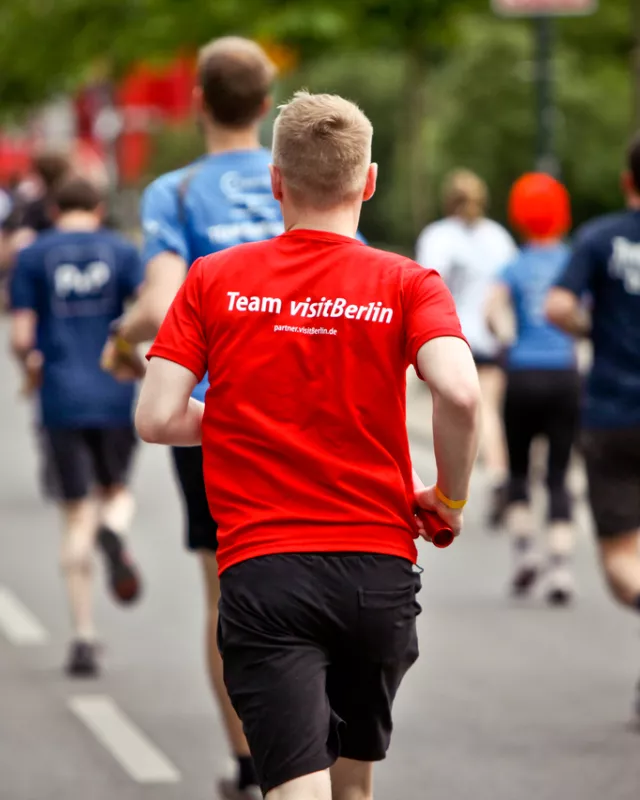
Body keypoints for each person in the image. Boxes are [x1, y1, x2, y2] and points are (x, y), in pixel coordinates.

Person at [135, 91, 481, 800]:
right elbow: (461, 393)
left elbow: (157, 417)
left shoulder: (214, 279)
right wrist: (449, 498)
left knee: (297, 788)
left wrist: (244, 419)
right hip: (377, 574)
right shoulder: (407, 283)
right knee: (351, 788)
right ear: (369, 181)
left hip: (266, 572)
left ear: (276, 182)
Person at [102, 36, 283, 799]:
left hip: (216, 412)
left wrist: (122, 341)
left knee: (227, 587)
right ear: (267, 104)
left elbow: (163, 300)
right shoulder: (297, 177)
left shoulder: (174, 193)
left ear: (200, 102)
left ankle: (250, 765)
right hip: (308, 404)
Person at [9, 175, 143, 678]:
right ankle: (115, 528)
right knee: (116, 492)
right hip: (113, 394)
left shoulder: (32, 256)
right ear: (99, 208)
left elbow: (22, 337)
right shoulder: (120, 250)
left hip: (60, 399)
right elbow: (144, 314)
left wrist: (30, 368)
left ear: (53, 209)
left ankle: (84, 636)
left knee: (74, 515)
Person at [546, 134, 640, 716]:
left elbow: (557, 305)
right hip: (610, 414)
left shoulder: (601, 238)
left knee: (623, 560)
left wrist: (593, 330)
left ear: (628, 180)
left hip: (614, 413)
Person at [486, 173, 580, 604]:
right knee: (559, 473)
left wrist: (506, 338)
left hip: (522, 375)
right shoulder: (572, 261)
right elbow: (581, 312)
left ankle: (525, 550)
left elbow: (491, 310)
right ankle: (560, 568)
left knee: (520, 470)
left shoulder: (515, 264)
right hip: (563, 374)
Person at [416, 170, 517, 527]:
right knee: (488, 411)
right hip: (489, 338)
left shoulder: (438, 236)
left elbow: (426, 287)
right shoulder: (499, 237)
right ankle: (499, 475)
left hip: (448, 338)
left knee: (448, 411)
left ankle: (450, 486)